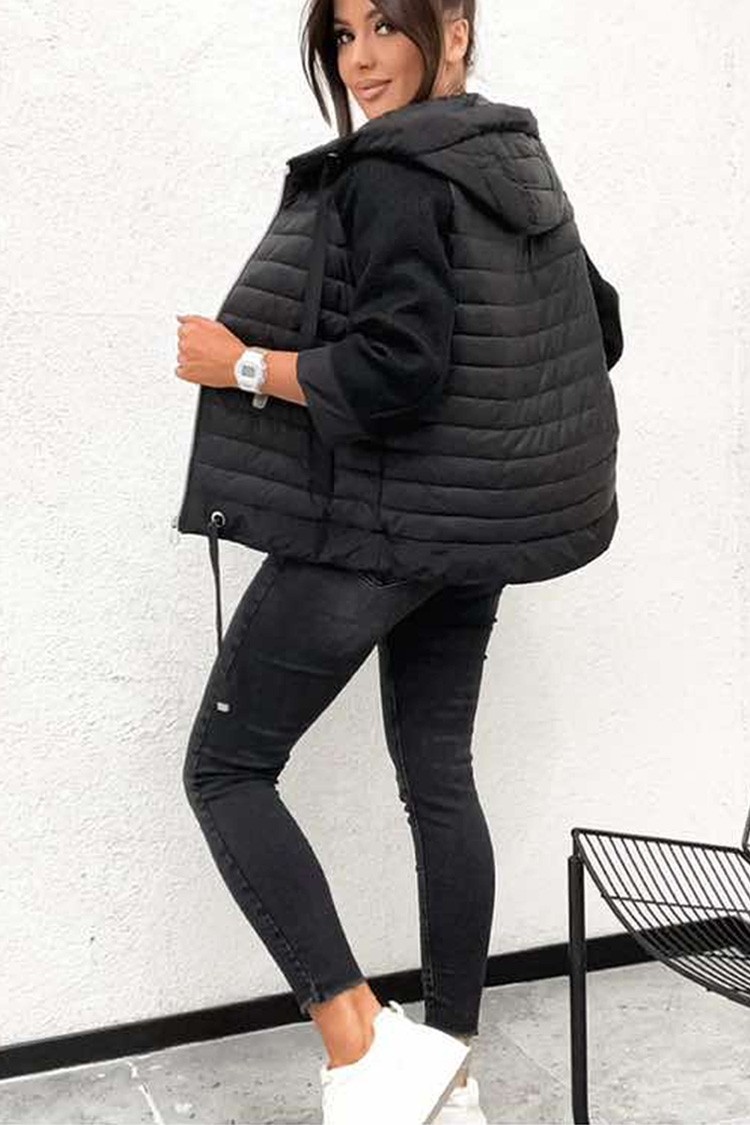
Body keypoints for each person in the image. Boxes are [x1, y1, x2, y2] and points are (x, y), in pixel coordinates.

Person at [174, 0, 623, 1121]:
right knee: (439, 780)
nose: (361, 60)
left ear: (456, 29)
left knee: (226, 769)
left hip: (377, 530)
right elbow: (599, 326)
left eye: (387, 25)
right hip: (472, 537)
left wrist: (239, 366)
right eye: (342, 35)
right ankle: (451, 1069)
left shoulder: (393, 172)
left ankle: (363, 1046)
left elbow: (395, 370)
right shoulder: (512, 156)